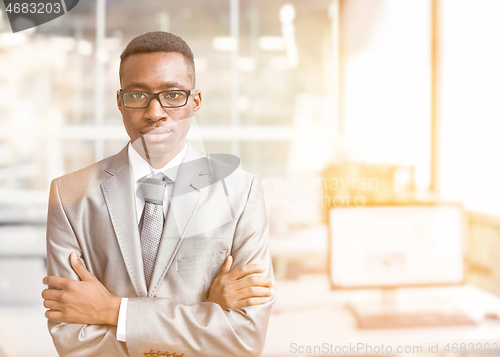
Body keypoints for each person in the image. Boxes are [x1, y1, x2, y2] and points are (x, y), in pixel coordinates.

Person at [42, 31, 275, 357]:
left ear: (194, 102)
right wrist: (207, 313)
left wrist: (113, 311)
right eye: (138, 96)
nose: (155, 113)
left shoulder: (241, 191)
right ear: (119, 101)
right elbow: (73, 340)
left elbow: (245, 338)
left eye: (173, 95)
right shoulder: (69, 194)